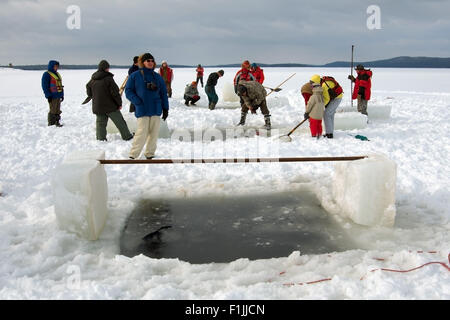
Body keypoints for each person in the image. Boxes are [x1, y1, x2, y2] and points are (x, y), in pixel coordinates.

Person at [125, 53, 169, 159]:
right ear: (142, 62)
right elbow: (128, 91)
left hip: (155, 108)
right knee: (141, 132)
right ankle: (133, 154)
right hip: (142, 108)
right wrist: (137, 101)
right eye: (148, 60)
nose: (150, 62)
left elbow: (163, 93)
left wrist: (165, 108)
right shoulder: (135, 76)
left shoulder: (157, 77)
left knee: (154, 134)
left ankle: (150, 154)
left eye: (152, 61)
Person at [85, 60, 133, 141]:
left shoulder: (93, 79)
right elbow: (115, 93)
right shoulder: (108, 79)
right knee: (120, 122)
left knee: (100, 124)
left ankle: (101, 139)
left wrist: (93, 96)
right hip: (110, 106)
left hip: (98, 106)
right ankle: (127, 136)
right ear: (106, 68)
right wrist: (119, 104)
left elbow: (88, 89)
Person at [311, 74, 343, 139]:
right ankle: (330, 131)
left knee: (326, 114)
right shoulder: (323, 81)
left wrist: (320, 106)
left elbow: (327, 99)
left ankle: (329, 134)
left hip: (336, 99)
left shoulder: (324, 85)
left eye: (313, 83)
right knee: (330, 114)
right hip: (336, 97)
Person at [41, 60, 64, 127]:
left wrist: (62, 95)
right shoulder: (46, 74)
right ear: (52, 66)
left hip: (58, 95)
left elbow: (60, 85)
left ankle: (57, 122)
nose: (57, 67)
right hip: (52, 96)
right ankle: (51, 123)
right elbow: (45, 86)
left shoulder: (57, 74)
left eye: (57, 66)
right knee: (53, 110)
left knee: (57, 110)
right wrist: (48, 95)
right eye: (55, 66)